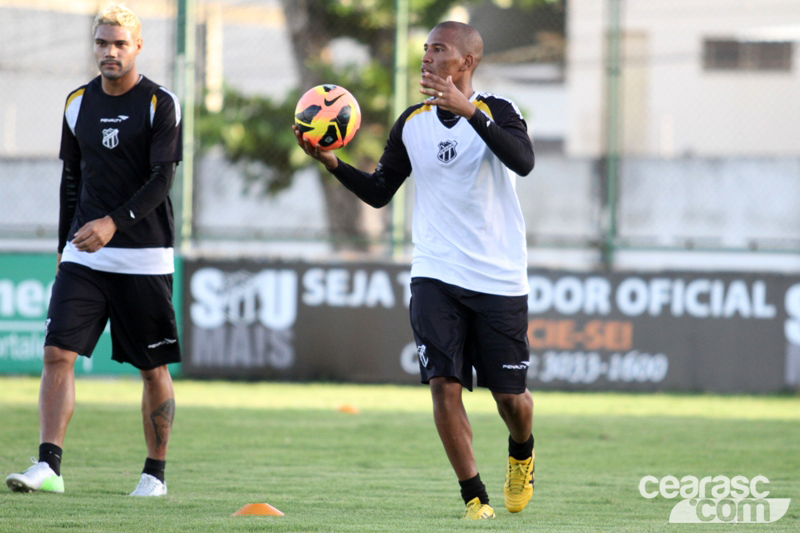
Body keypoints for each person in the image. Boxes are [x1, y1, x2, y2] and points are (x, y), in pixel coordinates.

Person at [293, 21, 535, 519]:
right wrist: (332, 163)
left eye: (438, 49)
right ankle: (475, 499)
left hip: (498, 277)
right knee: (444, 384)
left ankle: (522, 453)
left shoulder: (498, 110)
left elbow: (524, 161)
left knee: (511, 400)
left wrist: (467, 111)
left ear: (466, 62)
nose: (427, 57)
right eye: (425, 49)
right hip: (435, 273)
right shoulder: (411, 123)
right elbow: (380, 192)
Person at [5, 3, 182, 497]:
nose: (110, 52)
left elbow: (161, 181)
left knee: (152, 369)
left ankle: (154, 474)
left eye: (120, 44)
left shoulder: (160, 103)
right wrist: (65, 245)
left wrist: (113, 223)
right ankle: (49, 467)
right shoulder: (77, 103)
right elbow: (71, 180)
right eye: (102, 43)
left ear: (138, 47)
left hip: (143, 257)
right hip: (84, 257)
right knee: (56, 353)